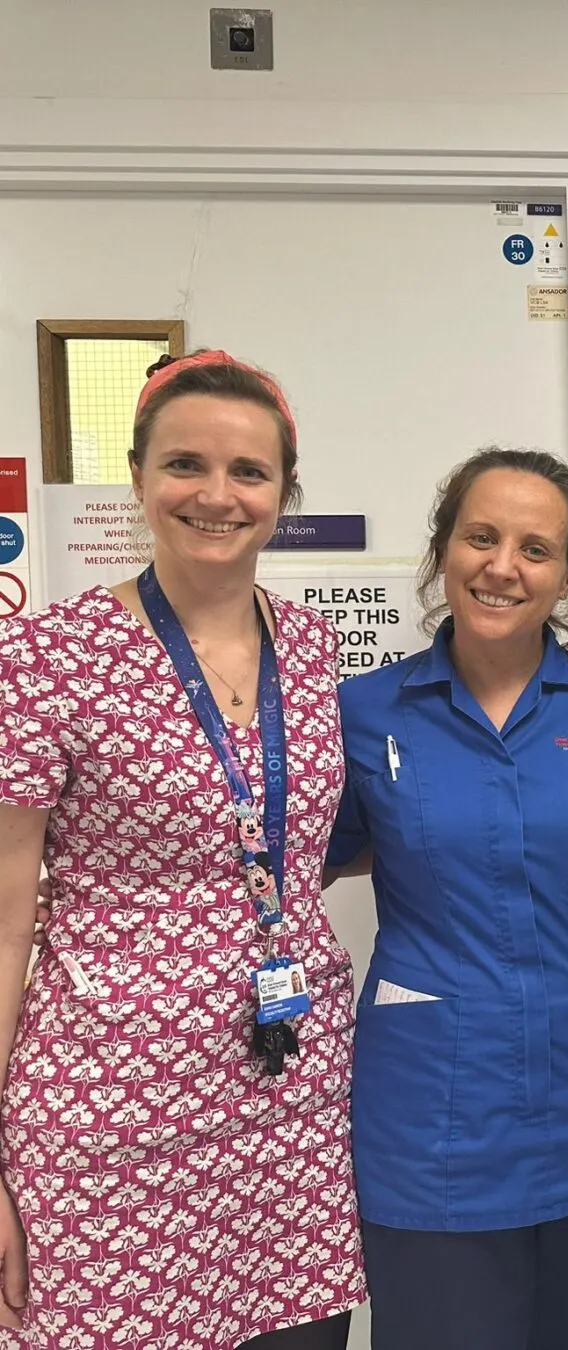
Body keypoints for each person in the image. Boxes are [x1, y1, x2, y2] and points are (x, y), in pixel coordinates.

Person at [0, 351, 364, 1348]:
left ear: (286, 490)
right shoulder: (48, 657)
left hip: (288, 1101)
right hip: (108, 1119)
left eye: (248, 472)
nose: (216, 494)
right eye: (184, 465)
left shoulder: (312, 646)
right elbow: (3, 926)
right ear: (138, 477)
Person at [323, 449, 568, 1350]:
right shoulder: (365, 711)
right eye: (481, 537)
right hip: (429, 1113)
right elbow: (307, 854)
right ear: (443, 552)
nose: (504, 566)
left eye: (536, 549)